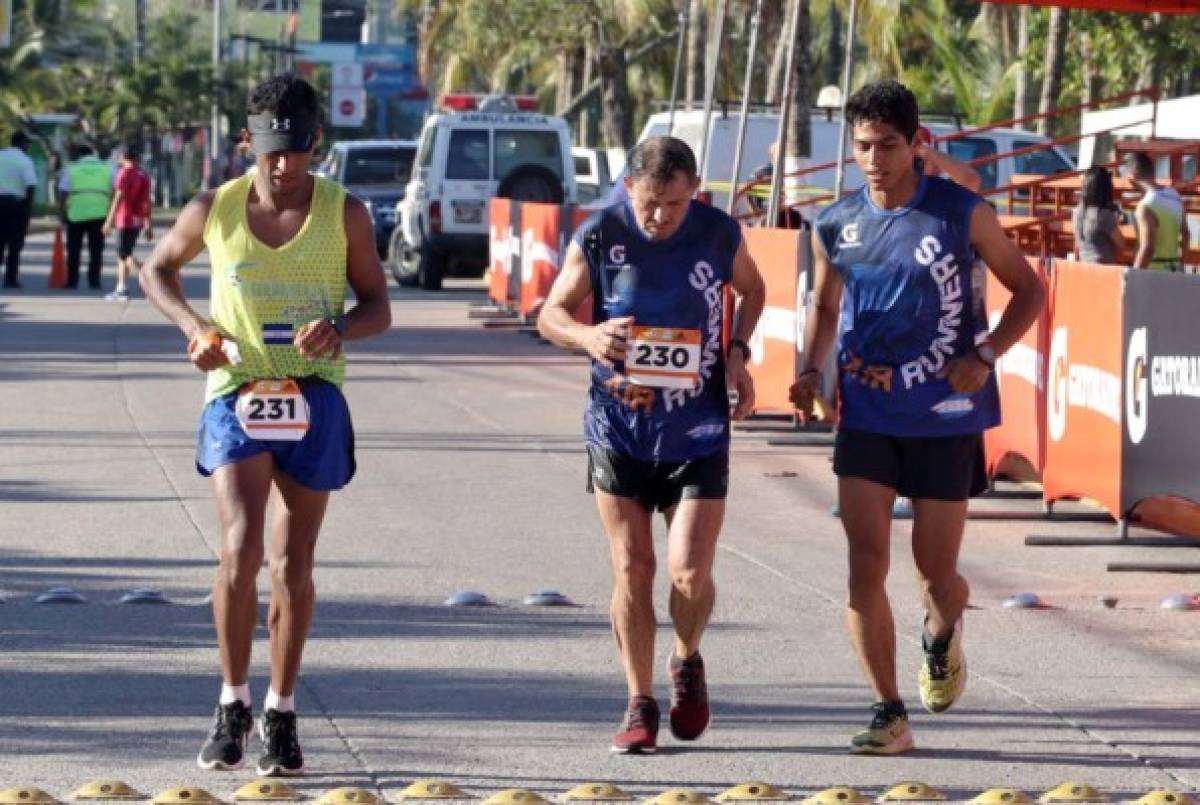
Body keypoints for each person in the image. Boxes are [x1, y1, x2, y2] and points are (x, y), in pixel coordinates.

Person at [140, 74, 392, 775]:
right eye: (270, 152)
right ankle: (232, 701)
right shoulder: (213, 207)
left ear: (317, 144)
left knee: (292, 563)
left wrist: (339, 328)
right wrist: (194, 328)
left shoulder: (346, 213)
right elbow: (156, 270)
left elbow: (379, 307)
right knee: (240, 548)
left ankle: (282, 708)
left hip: (313, 396)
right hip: (238, 388)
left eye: (297, 152)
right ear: (247, 142)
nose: (283, 167)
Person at [790, 80, 1044, 755]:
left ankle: (941, 629)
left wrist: (985, 353)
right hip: (868, 413)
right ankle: (888, 710)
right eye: (864, 146)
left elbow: (1030, 289)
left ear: (916, 143)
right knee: (864, 562)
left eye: (889, 146)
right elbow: (822, 306)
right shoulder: (835, 223)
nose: (875, 159)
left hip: (946, 414)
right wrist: (811, 369)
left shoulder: (961, 212)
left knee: (936, 575)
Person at [538, 136, 766, 755]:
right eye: (648, 204)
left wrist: (737, 356)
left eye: (671, 203)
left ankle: (686, 658)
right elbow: (550, 312)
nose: (659, 216)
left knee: (690, 570)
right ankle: (638, 700)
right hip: (619, 426)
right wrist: (587, 336)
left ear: (693, 189)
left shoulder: (718, 233)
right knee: (633, 566)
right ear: (629, 190)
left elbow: (754, 290)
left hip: (698, 427)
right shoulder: (601, 233)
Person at [102, 141, 154, 301]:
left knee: (124, 254)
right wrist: (147, 223)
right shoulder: (143, 174)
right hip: (137, 220)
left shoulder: (124, 173)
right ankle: (121, 287)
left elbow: (118, 197)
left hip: (124, 218)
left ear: (124, 156)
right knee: (123, 254)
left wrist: (109, 220)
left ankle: (150, 276)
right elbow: (147, 201)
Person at [58, 144, 114, 290]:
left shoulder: (71, 169)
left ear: (79, 156)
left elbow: (63, 192)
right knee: (96, 250)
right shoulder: (107, 168)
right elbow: (116, 190)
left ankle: (72, 281)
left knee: (74, 249)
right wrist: (111, 213)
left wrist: (62, 212)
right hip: (100, 214)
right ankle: (94, 281)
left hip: (76, 215)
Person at [1125, 151, 1188, 271]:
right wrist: (1182, 263)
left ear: (1133, 174)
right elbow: (1186, 234)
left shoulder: (1145, 206)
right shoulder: (1174, 195)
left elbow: (1147, 247)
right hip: (1174, 269)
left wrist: (1134, 276)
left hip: (1154, 272)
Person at [0, 131, 38, 289]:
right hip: (16, 206)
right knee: (15, 245)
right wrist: (28, 209)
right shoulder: (24, 160)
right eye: (27, 144)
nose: (28, 147)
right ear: (22, 144)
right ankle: (10, 279)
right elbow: (30, 185)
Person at [1071, 166, 1126, 265]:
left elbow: (1077, 244)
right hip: (1104, 268)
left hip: (1084, 264)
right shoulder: (1104, 216)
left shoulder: (1076, 212)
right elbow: (1122, 245)